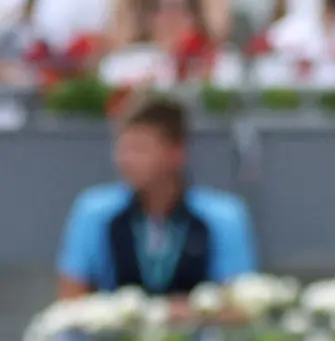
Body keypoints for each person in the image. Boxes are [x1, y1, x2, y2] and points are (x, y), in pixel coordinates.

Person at [56, 94, 257, 300]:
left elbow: (240, 303)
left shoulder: (224, 216)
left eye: (139, 149)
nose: (125, 161)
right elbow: (71, 298)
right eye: (122, 148)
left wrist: (177, 316)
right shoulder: (93, 211)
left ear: (176, 152)